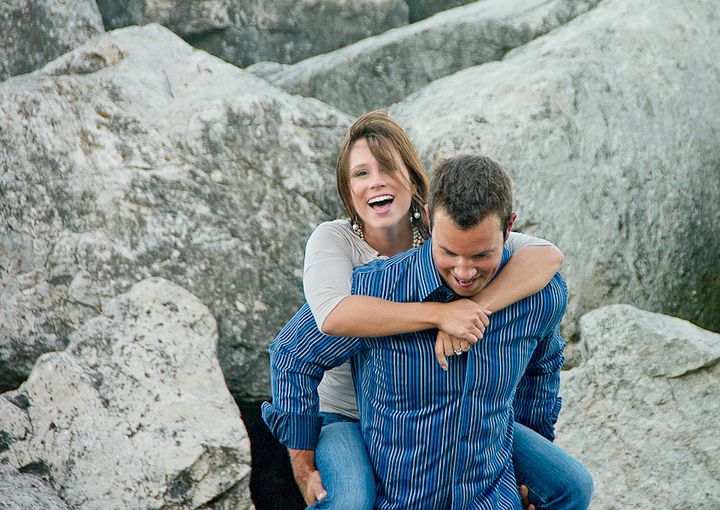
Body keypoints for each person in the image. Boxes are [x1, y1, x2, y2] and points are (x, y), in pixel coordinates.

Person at [294, 111, 591, 509]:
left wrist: (473, 307)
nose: (376, 182)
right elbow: (328, 319)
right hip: (347, 414)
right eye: (361, 174)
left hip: (464, 422)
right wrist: (439, 316)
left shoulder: (459, 234)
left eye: (387, 169)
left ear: (414, 181)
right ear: (347, 190)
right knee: (351, 502)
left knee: (573, 486)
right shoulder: (341, 248)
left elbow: (547, 256)